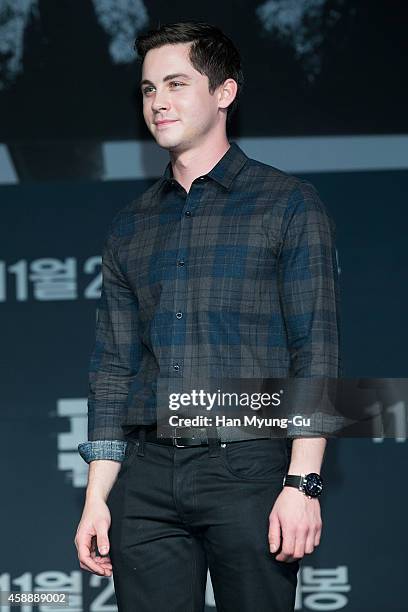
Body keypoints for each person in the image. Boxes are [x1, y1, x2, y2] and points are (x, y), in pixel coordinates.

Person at [74, 21, 341, 612]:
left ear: (224, 93)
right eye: (147, 89)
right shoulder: (131, 224)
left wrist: (302, 483)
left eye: (175, 83)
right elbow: (113, 369)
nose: (158, 101)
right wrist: (98, 497)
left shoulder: (288, 204)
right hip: (145, 477)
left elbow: (314, 351)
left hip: (248, 463)